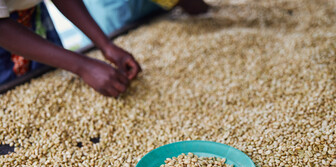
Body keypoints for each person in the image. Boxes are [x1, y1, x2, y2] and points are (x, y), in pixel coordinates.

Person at [0, 0, 209, 97]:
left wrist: (105, 44)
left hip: (28, 13)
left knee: (45, 73)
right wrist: (82, 65)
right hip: (7, 31)